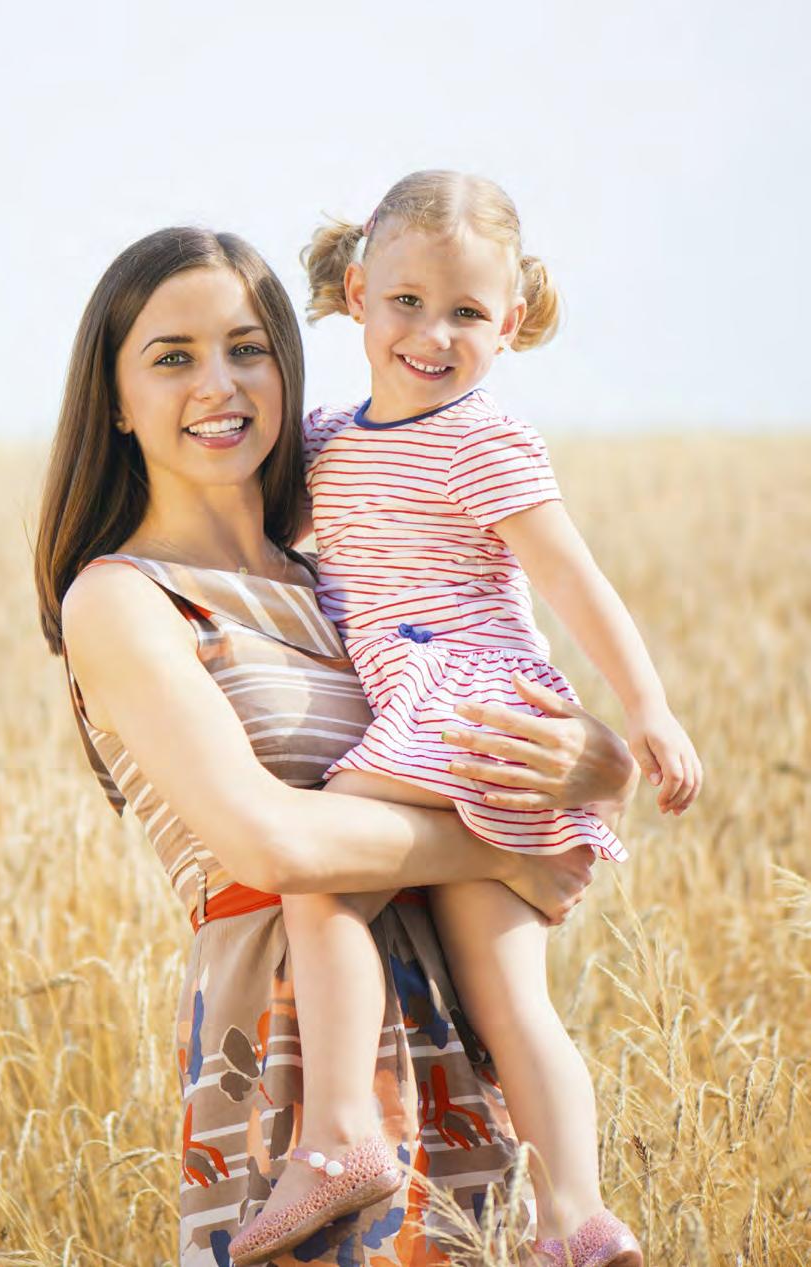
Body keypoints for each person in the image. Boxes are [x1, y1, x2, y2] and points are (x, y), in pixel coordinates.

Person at [34, 226, 639, 1267]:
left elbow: (483, 733)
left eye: (248, 346)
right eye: (172, 356)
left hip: (449, 1024)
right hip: (290, 1055)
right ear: (118, 400)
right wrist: (506, 844)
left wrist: (600, 768)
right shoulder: (126, 599)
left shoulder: (351, 581)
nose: (218, 382)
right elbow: (274, 845)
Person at [230, 172, 702, 1267]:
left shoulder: (484, 440)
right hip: (462, 727)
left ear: (515, 322)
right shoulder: (327, 439)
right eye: (406, 302)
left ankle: (342, 1131)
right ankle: (574, 1219)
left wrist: (651, 712)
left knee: (316, 864)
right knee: (509, 996)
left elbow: (577, 584)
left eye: (467, 313)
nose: (431, 333)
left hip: (468, 704)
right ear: (356, 292)